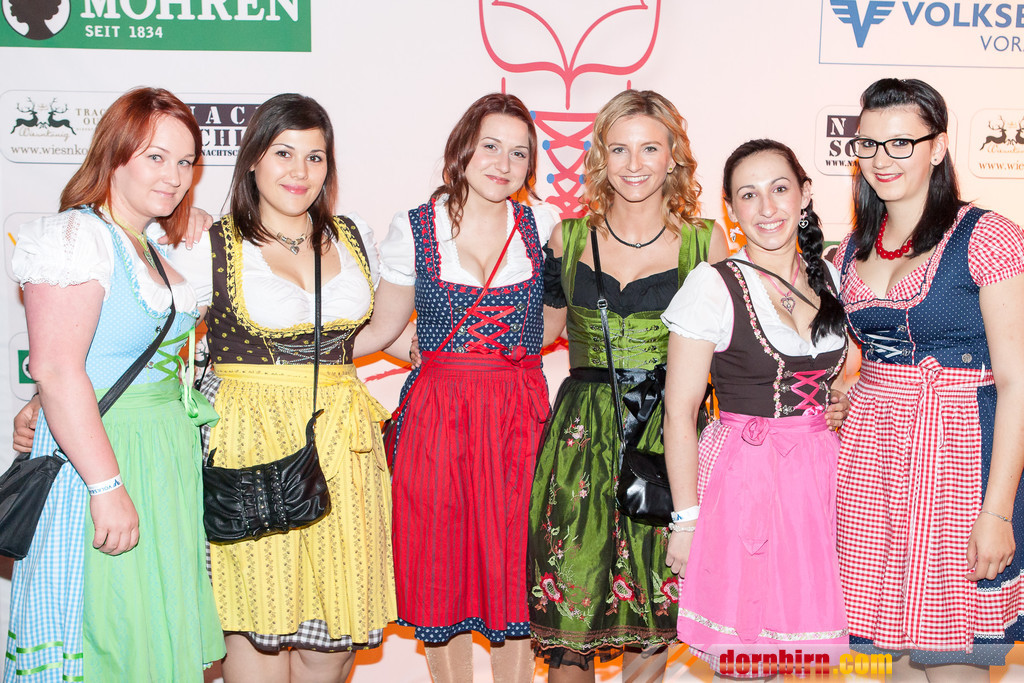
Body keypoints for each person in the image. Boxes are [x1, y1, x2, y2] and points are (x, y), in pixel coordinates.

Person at [166, 93, 397, 683]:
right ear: (252, 160)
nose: (300, 171)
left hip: (343, 445)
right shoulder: (210, 244)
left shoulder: (354, 237)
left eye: (315, 157)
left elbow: (378, 333)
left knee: (332, 642)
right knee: (257, 629)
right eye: (283, 153)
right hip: (249, 442)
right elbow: (154, 335)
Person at [5, 87, 224, 682]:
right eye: (155, 157)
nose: (174, 176)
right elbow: (57, 368)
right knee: (109, 628)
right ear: (114, 154)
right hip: (105, 459)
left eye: (185, 162)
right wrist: (106, 485)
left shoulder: (148, 243)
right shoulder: (76, 238)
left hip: (162, 459)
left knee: (146, 629)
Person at [526, 89, 729, 682]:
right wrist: (441, 344)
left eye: (649, 148)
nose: (634, 164)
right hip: (580, 443)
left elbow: (733, 349)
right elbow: (539, 334)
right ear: (600, 157)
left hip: (669, 437)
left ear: (674, 156)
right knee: (570, 619)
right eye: (619, 149)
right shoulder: (567, 239)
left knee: (655, 614)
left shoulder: (706, 242)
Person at [359, 92, 560, 683]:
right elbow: (382, 328)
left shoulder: (545, 226)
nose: (503, 162)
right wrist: (300, 355)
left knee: (515, 569)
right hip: (438, 415)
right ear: (462, 149)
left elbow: (553, 325)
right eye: (490, 145)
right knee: (439, 564)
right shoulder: (414, 228)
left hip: (517, 416)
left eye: (519, 153)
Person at [834, 77, 1024, 679]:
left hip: (958, 466)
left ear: (938, 147)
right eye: (869, 144)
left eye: (901, 143)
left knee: (954, 663)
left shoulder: (986, 235)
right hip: (871, 473)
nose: (882, 159)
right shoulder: (849, 249)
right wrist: (847, 386)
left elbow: (1018, 383)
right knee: (884, 664)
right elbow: (860, 358)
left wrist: (997, 513)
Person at [661, 139, 850, 677]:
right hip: (746, 477)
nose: (767, 208)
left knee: (807, 652)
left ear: (805, 194)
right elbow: (680, 412)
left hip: (822, 478)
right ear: (731, 209)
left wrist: (842, 397)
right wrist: (686, 521)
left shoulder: (831, 276)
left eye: (780, 189)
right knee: (748, 656)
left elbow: (850, 370)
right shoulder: (713, 284)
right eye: (749, 195)